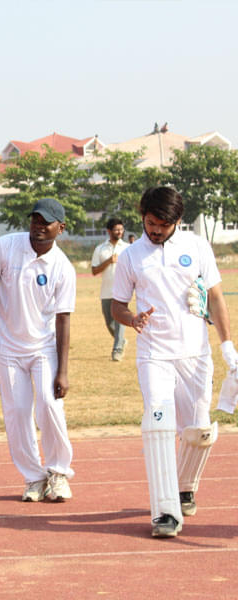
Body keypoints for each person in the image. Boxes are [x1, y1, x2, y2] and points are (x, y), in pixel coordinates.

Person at [111, 186, 234, 538]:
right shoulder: (132, 256)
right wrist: (132, 319)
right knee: (159, 426)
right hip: (154, 355)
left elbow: (215, 297)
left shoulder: (196, 247)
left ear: (177, 222)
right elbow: (118, 305)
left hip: (195, 355)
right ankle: (165, 512)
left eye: (163, 225)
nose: (156, 231)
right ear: (143, 217)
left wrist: (227, 347)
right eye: (151, 223)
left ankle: (184, 487)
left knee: (199, 431)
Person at [0, 198, 76, 503]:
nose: (38, 227)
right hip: (8, 348)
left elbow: (63, 320)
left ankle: (58, 473)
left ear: (61, 228)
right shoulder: (6, 246)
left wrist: (63, 370)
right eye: (34, 220)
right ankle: (33, 476)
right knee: (17, 413)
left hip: (43, 349)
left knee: (48, 405)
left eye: (45, 222)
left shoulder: (63, 268)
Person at [91, 217, 130, 361]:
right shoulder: (100, 249)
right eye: (116, 229)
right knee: (110, 322)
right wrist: (109, 261)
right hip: (106, 291)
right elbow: (94, 271)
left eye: (121, 229)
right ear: (109, 231)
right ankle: (120, 340)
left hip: (122, 291)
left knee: (120, 321)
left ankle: (117, 350)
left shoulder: (127, 248)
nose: (119, 232)